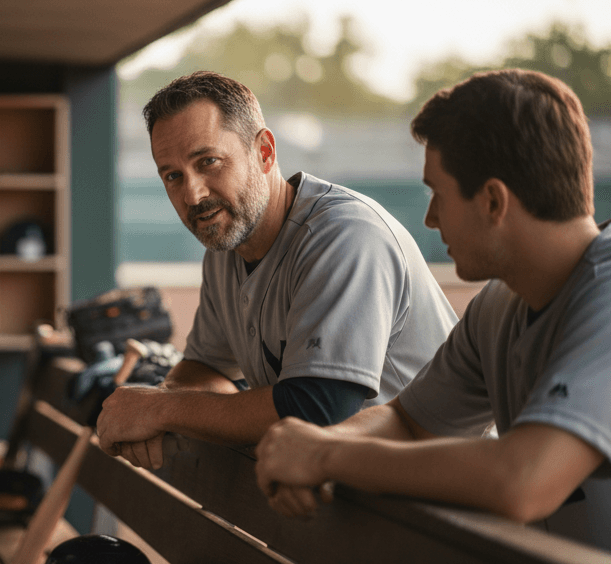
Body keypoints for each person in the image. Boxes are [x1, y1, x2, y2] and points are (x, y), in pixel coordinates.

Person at [254, 68, 611, 551]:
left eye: (436, 195)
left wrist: (325, 458)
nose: (429, 217)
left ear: (492, 201)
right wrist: (310, 449)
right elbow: (409, 422)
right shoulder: (500, 303)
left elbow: (523, 481)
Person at [96, 71, 457, 470]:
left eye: (209, 162)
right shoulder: (226, 247)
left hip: (448, 499)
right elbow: (206, 368)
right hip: (340, 489)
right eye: (172, 176)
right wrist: (161, 407)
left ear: (265, 152)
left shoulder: (345, 236)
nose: (192, 194)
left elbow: (320, 409)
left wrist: (160, 411)